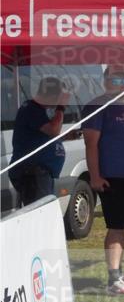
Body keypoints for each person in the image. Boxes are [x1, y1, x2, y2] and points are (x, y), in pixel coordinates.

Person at [82, 67, 124, 297]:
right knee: (116, 227)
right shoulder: (97, 105)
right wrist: (95, 176)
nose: (122, 83)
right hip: (112, 178)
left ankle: (119, 271)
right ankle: (113, 279)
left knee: (122, 227)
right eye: (116, 79)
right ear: (106, 80)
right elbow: (91, 143)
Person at [10, 77, 70, 206]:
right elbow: (53, 130)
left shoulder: (39, 111)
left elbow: (42, 137)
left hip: (39, 174)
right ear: (51, 95)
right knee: (41, 211)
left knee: (44, 209)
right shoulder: (30, 109)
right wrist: (61, 108)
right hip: (33, 174)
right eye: (58, 98)